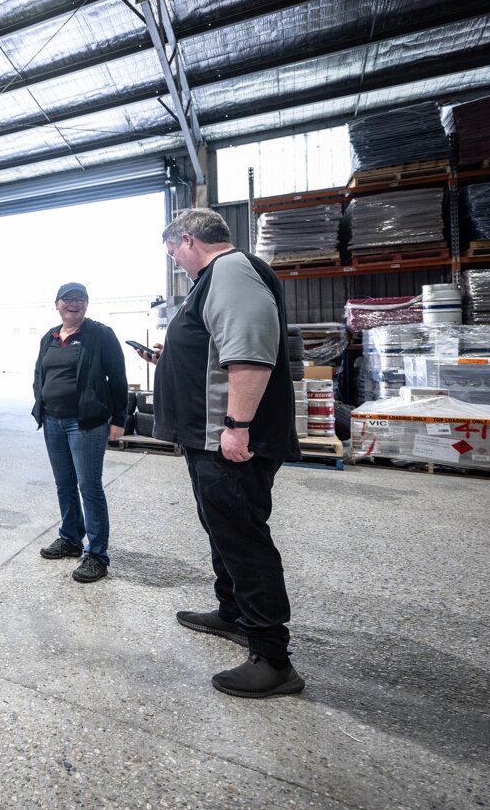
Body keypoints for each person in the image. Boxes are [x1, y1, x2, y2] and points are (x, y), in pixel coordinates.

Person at [137, 208, 304, 698]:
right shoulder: (217, 278)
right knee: (223, 532)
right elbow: (216, 349)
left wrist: (236, 427)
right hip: (208, 437)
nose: (175, 262)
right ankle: (232, 613)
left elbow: (250, 353)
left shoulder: (229, 270)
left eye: (173, 253)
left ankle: (272, 657)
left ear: (188, 241)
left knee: (243, 539)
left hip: (225, 441)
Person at [31, 282, 127, 583]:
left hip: (85, 422)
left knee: (89, 486)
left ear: (86, 304)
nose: (74, 303)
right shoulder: (50, 336)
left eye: (80, 299)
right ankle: (71, 538)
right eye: (67, 299)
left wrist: (119, 419)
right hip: (52, 421)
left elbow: (118, 379)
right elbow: (39, 373)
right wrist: (42, 403)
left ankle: (97, 554)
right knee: (64, 484)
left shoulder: (100, 334)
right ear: (57, 304)